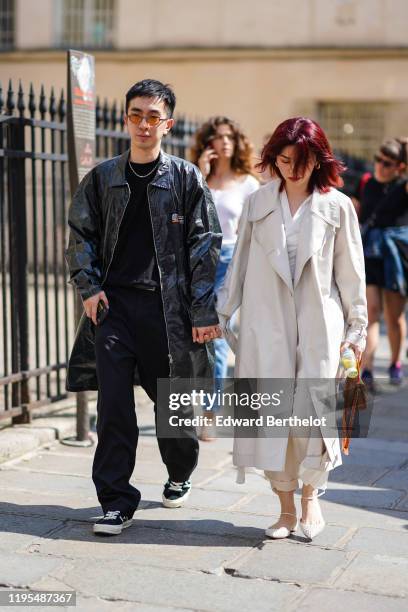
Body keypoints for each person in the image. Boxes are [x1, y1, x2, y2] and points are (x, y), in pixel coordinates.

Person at [65, 79, 222, 536]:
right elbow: (80, 236)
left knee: (171, 408)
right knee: (114, 407)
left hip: (166, 312)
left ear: (167, 124)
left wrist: (201, 312)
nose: (144, 124)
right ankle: (115, 501)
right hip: (113, 310)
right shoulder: (102, 177)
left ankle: (179, 470)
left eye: (154, 116)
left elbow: (204, 246)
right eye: (136, 114)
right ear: (125, 119)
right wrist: (90, 289)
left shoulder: (186, 178)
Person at [217, 117, 367, 541]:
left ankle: (310, 498)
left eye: (301, 160)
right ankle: (284, 510)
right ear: (273, 159)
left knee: (313, 418)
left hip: (322, 325)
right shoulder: (259, 202)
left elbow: (352, 275)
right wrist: (223, 314)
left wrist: (357, 330)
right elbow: (241, 262)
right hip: (267, 322)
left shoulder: (337, 206)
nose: (292, 169)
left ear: (318, 159)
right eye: (284, 160)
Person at [191, 117, 259, 439]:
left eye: (230, 137)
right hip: (197, 261)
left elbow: (255, 232)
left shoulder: (248, 184)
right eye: (219, 137)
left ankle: (209, 412)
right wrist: (201, 176)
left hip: (231, 261)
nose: (225, 142)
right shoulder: (195, 177)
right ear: (209, 143)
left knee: (217, 339)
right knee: (192, 338)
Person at [358, 138, 408, 389]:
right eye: (378, 159)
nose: (380, 166)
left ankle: (395, 362)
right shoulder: (366, 182)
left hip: (396, 256)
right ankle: (367, 368)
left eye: (387, 163)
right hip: (370, 254)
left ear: (399, 166)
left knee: (394, 316)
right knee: (371, 312)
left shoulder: (404, 186)